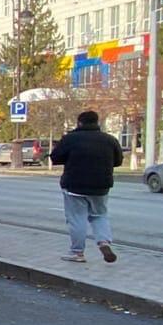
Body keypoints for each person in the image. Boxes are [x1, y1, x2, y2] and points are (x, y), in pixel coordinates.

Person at [49, 109, 122, 263]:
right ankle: (103, 241)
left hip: (74, 186)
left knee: (77, 219)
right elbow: (118, 161)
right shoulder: (109, 139)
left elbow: (55, 157)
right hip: (101, 186)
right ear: (97, 122)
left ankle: (77, 252)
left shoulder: (71, 139)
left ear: (80, 123)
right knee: (99, 215)